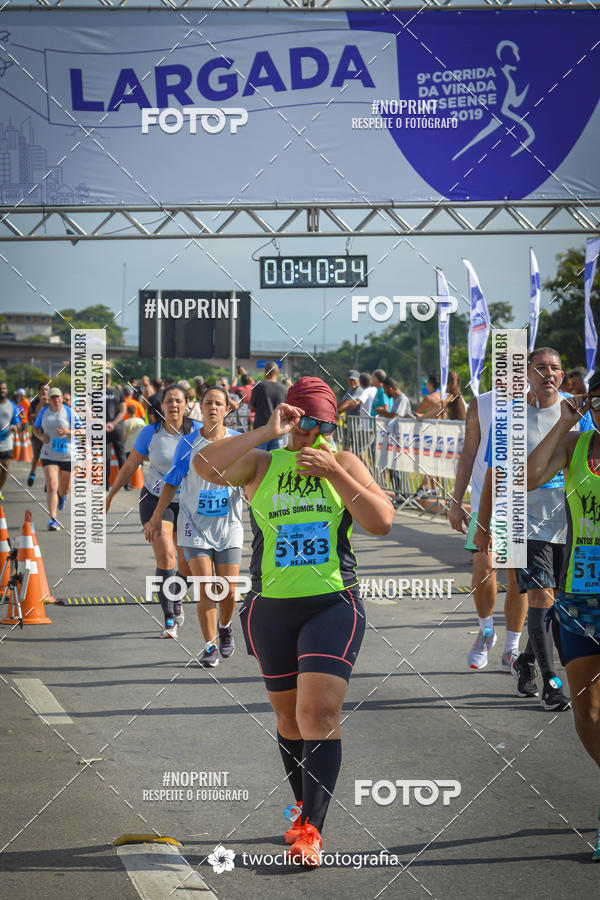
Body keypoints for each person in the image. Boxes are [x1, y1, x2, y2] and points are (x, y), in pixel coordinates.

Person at [193, 376, 394, 867]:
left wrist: (336, 473)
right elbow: (203, 465)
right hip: (271, 609)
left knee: (318, 713)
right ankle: (304, 806)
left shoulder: (344, 462)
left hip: (332, 604)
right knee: (288, 719)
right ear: (288, 418)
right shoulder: (262, 463)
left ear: (332, 426)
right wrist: (266, 431)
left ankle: (312, 831)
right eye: (300, 424)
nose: (308, 435)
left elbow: (382, 520)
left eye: (319, 426)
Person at [476, 347, 593, 710]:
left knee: (556, 603)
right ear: (527, 373)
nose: (548, 373)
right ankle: (552, 685)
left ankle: (525, 660)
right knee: (540, 598)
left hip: (569, 522)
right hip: (522, 520)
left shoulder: (578, 413)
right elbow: (495, 475)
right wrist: (484, 524)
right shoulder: (509, 417)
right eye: (540, 367)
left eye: (555, 368)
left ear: (562, 375)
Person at [527, 374, 600, 857]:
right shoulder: (576, 446)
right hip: (580, 596)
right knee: (586, 710)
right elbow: (528, 478)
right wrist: (563, 424)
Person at [145, 386, 244, 665]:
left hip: (229, 525)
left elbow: (251, 476)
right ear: (200, 407)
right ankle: (210, 646)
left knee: (228, 590)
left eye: (218, 404)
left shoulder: (238, 441)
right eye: (208, 403)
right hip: (194, 526)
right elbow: (172, 482)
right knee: (206, 587)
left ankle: (225, 626)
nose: (213, 408)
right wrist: (156, 516)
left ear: (227, 409)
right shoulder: (187, 444)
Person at [107, 384, 200, 637]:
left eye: (178, 400)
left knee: (188, 565)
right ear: (162, 406)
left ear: (186, 405)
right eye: (169, 401)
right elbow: (130, 466)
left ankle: (175, 594)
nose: (174, 405)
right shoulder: (150, 432)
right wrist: (111, 494)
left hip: (189, 502)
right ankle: (169, 618)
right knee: (166, 556)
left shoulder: (198, 431)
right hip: (155, 499)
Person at [449, 390, 527, 670]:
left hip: (524, 505)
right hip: (486, 501)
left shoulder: (537, 401)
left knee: (517, 577)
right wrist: (456, 501)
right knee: (483, 567)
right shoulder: (482, 402)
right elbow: (469, 454)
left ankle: (511, 648)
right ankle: (485, 630)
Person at [32, 388, 77, 530]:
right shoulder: (43, 412)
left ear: (62, 398)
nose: (56, 400)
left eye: (58, 397)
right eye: (53, 397)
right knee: (52, 485)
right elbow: (35, 428)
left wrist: (68, 431)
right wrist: (41, 437)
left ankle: (62, 496)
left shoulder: (69, 412)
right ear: (49, 399)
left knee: (64, 488)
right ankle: (53, 518)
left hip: (67, 454)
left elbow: (82, 430)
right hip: (49, 453)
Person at [249, 363, 286, 450]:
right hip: (278, 430)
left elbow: (251, 407)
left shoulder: (259, 386)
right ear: (278, 372)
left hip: (261, 430)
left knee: (259, 457)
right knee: (276, 457)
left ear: (265, 372)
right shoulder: (284, 389)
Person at [105, 371, 126, 490]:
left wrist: (104, 424)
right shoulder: (118, 392)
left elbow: (90, 412)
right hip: (117, 427)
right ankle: (126, 483)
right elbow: (123, 411)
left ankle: (105, 484)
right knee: (121, 455)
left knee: (105, 457)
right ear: (110, 380)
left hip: (103, 428)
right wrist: (113, 423)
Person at [0, 382, 20, 501]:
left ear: (7, 390)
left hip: (6, 441)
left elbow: (17, 422)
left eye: (4, 388)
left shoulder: (12, 406)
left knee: (5, 466)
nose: (2, 390)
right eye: (0, 388)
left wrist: (15, 427)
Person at [27, 382, 49, 487]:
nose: (45, 391)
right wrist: (40, 404)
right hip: (37, 433)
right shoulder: (34, 403)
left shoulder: (52, 402)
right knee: (37, 456)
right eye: (42, 389)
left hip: (49, 434)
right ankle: (32, 472)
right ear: (39, 391)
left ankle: (48, 480)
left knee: (48, 458)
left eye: (47, 389)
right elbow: (31, 418)